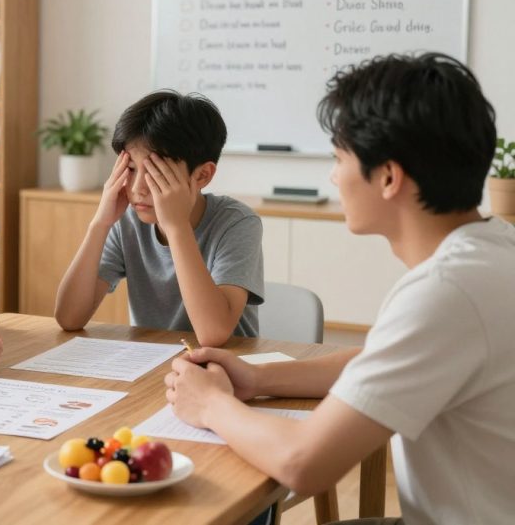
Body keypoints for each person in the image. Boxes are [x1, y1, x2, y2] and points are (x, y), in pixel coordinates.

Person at [166, 53, 515, 525]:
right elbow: (379, 361)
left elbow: (302, 463)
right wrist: (259, 378)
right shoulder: (495, 246)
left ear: (389, 177)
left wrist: (211, 404)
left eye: (338, 158)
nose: (332, 176)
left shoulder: (446, 291)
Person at [54, 90, 263, 345]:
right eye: (130, 169)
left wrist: (176, 227)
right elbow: (69, 318)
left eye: (157, 173)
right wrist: (100, 224)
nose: (138, 187)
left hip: (224, 368)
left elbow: (213, 334)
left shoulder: (237, 223)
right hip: (153, 367)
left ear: (202, 176)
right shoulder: (127, 221)